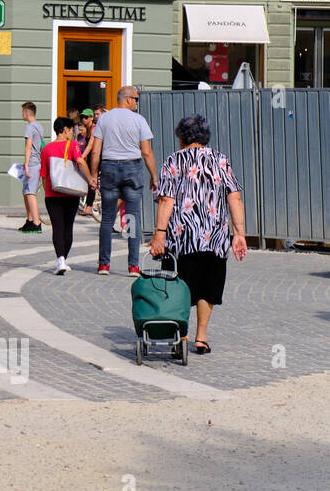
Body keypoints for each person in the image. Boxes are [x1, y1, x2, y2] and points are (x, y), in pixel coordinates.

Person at [149, 115, 247, 356]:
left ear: (182, 137)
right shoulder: (220, 160)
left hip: (182, 238)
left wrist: (159, 234)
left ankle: (181, 336)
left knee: (180, 287)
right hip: (215, 237)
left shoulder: (173, 160)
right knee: (207, 288)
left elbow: (166, 200)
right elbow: (234, 197)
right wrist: (239, 234)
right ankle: (201, 337)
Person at [86, 85, 157, 277]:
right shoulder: (139, 120)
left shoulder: (104, 119)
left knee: (107, 217)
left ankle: (104, 265)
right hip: (132, 168)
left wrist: (93, 175)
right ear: (127, 99)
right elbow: (146, 152)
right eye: (136, 99)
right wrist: (154, 176)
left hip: (109, 167)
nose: (136, 102)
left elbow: (95, 151)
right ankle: (133, 266)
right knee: (132, 217)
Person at [38, 117, 95, 275]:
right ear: (64, 130)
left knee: (57, 227)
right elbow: (80, 162)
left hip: (52, 193)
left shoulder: (46, 149)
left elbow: (43, 175)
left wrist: (48, 190)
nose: (72, 133)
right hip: (70, 193)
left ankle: (60, 259)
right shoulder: (73, 145)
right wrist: (90, 179)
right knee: (68, 226)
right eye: (71, 130)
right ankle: (64, 259)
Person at [19, 102, 44, 233]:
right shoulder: (39, 126)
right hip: (36, 162)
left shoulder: (29, 127)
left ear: (27, 112)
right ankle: (29, 220)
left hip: (33, 163)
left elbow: (28, 146)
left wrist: (27, 165)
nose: (22, 114)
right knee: (26, 192)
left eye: (23, 111)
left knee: (30, 193)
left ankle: (36, 223)